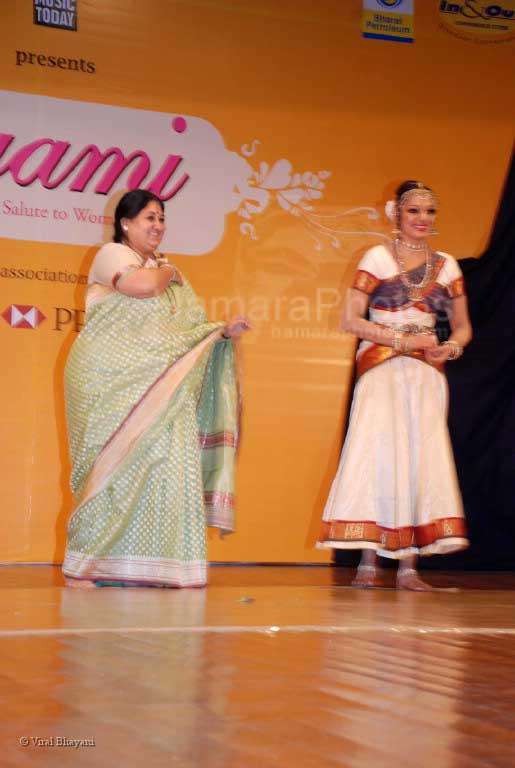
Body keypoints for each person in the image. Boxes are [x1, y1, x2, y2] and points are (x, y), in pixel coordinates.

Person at [62, 189, 249, 588]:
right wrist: (170, 272)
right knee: (108, 472)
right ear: (125, 223)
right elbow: (141, 286)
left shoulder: (171, 276)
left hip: (162, 385)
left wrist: (221, 333)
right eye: (149, 218)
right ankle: (90, 566)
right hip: (106, 381)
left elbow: (185, 331)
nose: (158, 226)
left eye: (161, 218)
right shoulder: (112, 254)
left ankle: (151, 567)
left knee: (164, 467)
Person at [317, 181, 472, 590]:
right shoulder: (377, 257)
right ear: (396, 215)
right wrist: (401, 341)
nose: (422, 220)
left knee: (420, 457)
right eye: (413, 212)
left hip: (425, 373)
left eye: (429, 212)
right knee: (377, 452)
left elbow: (461, 327)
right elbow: (350, 320)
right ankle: (368, 561)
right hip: (381, 366)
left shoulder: (449, 266)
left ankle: (409, 567)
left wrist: (450, 349)